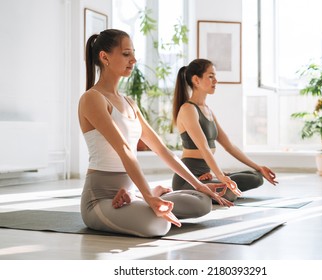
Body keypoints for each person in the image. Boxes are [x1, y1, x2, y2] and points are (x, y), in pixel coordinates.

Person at [78, 29, 233, 238]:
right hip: (100, 199)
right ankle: (145, 199)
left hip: (130, 192)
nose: (133, 60)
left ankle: (139, 199)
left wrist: (200, 185)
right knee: (158, 225)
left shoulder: (129, 103)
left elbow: (161, 149)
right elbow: (124, 149)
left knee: (202, 202)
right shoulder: (92, 98)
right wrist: (149, 197)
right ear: (104, 57)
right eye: (126, 54)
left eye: (133, 53)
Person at [172, 58, 278, 201]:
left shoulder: (207, 110)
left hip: (206, 175)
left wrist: (259, 167)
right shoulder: (188, 109)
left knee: (256, 177)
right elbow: (203, 147)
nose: (216, 81)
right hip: (188, 179)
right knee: (229, 190)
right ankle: (216, 188)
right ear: (196, 80)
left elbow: (230, 146)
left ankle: (217, 186)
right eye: (210, 76)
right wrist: (220, 175)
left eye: (215, 76)